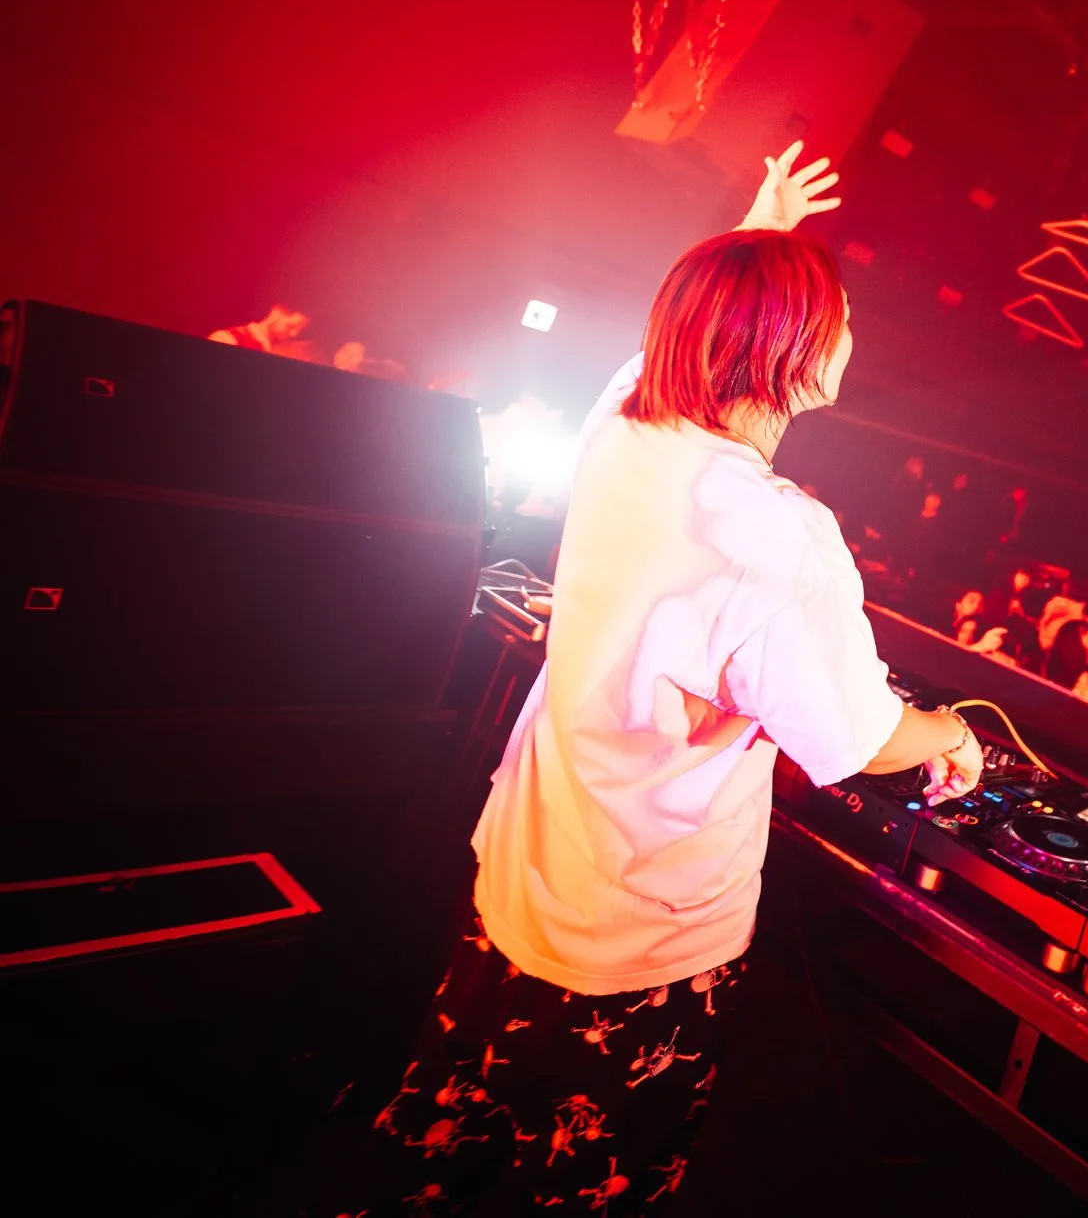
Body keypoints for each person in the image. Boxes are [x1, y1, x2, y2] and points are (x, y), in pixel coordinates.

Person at [337, 144, 985, 1215]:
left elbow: (668, 333)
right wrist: (950, 729)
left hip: (524, 871)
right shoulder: (781, 533)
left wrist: (760, 227)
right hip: (642, 933)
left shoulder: (624, 433)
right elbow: (862, 741)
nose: (853, 331)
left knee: (442, 1135)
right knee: (593, 1175)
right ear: (800, 352)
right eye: (841, 312)